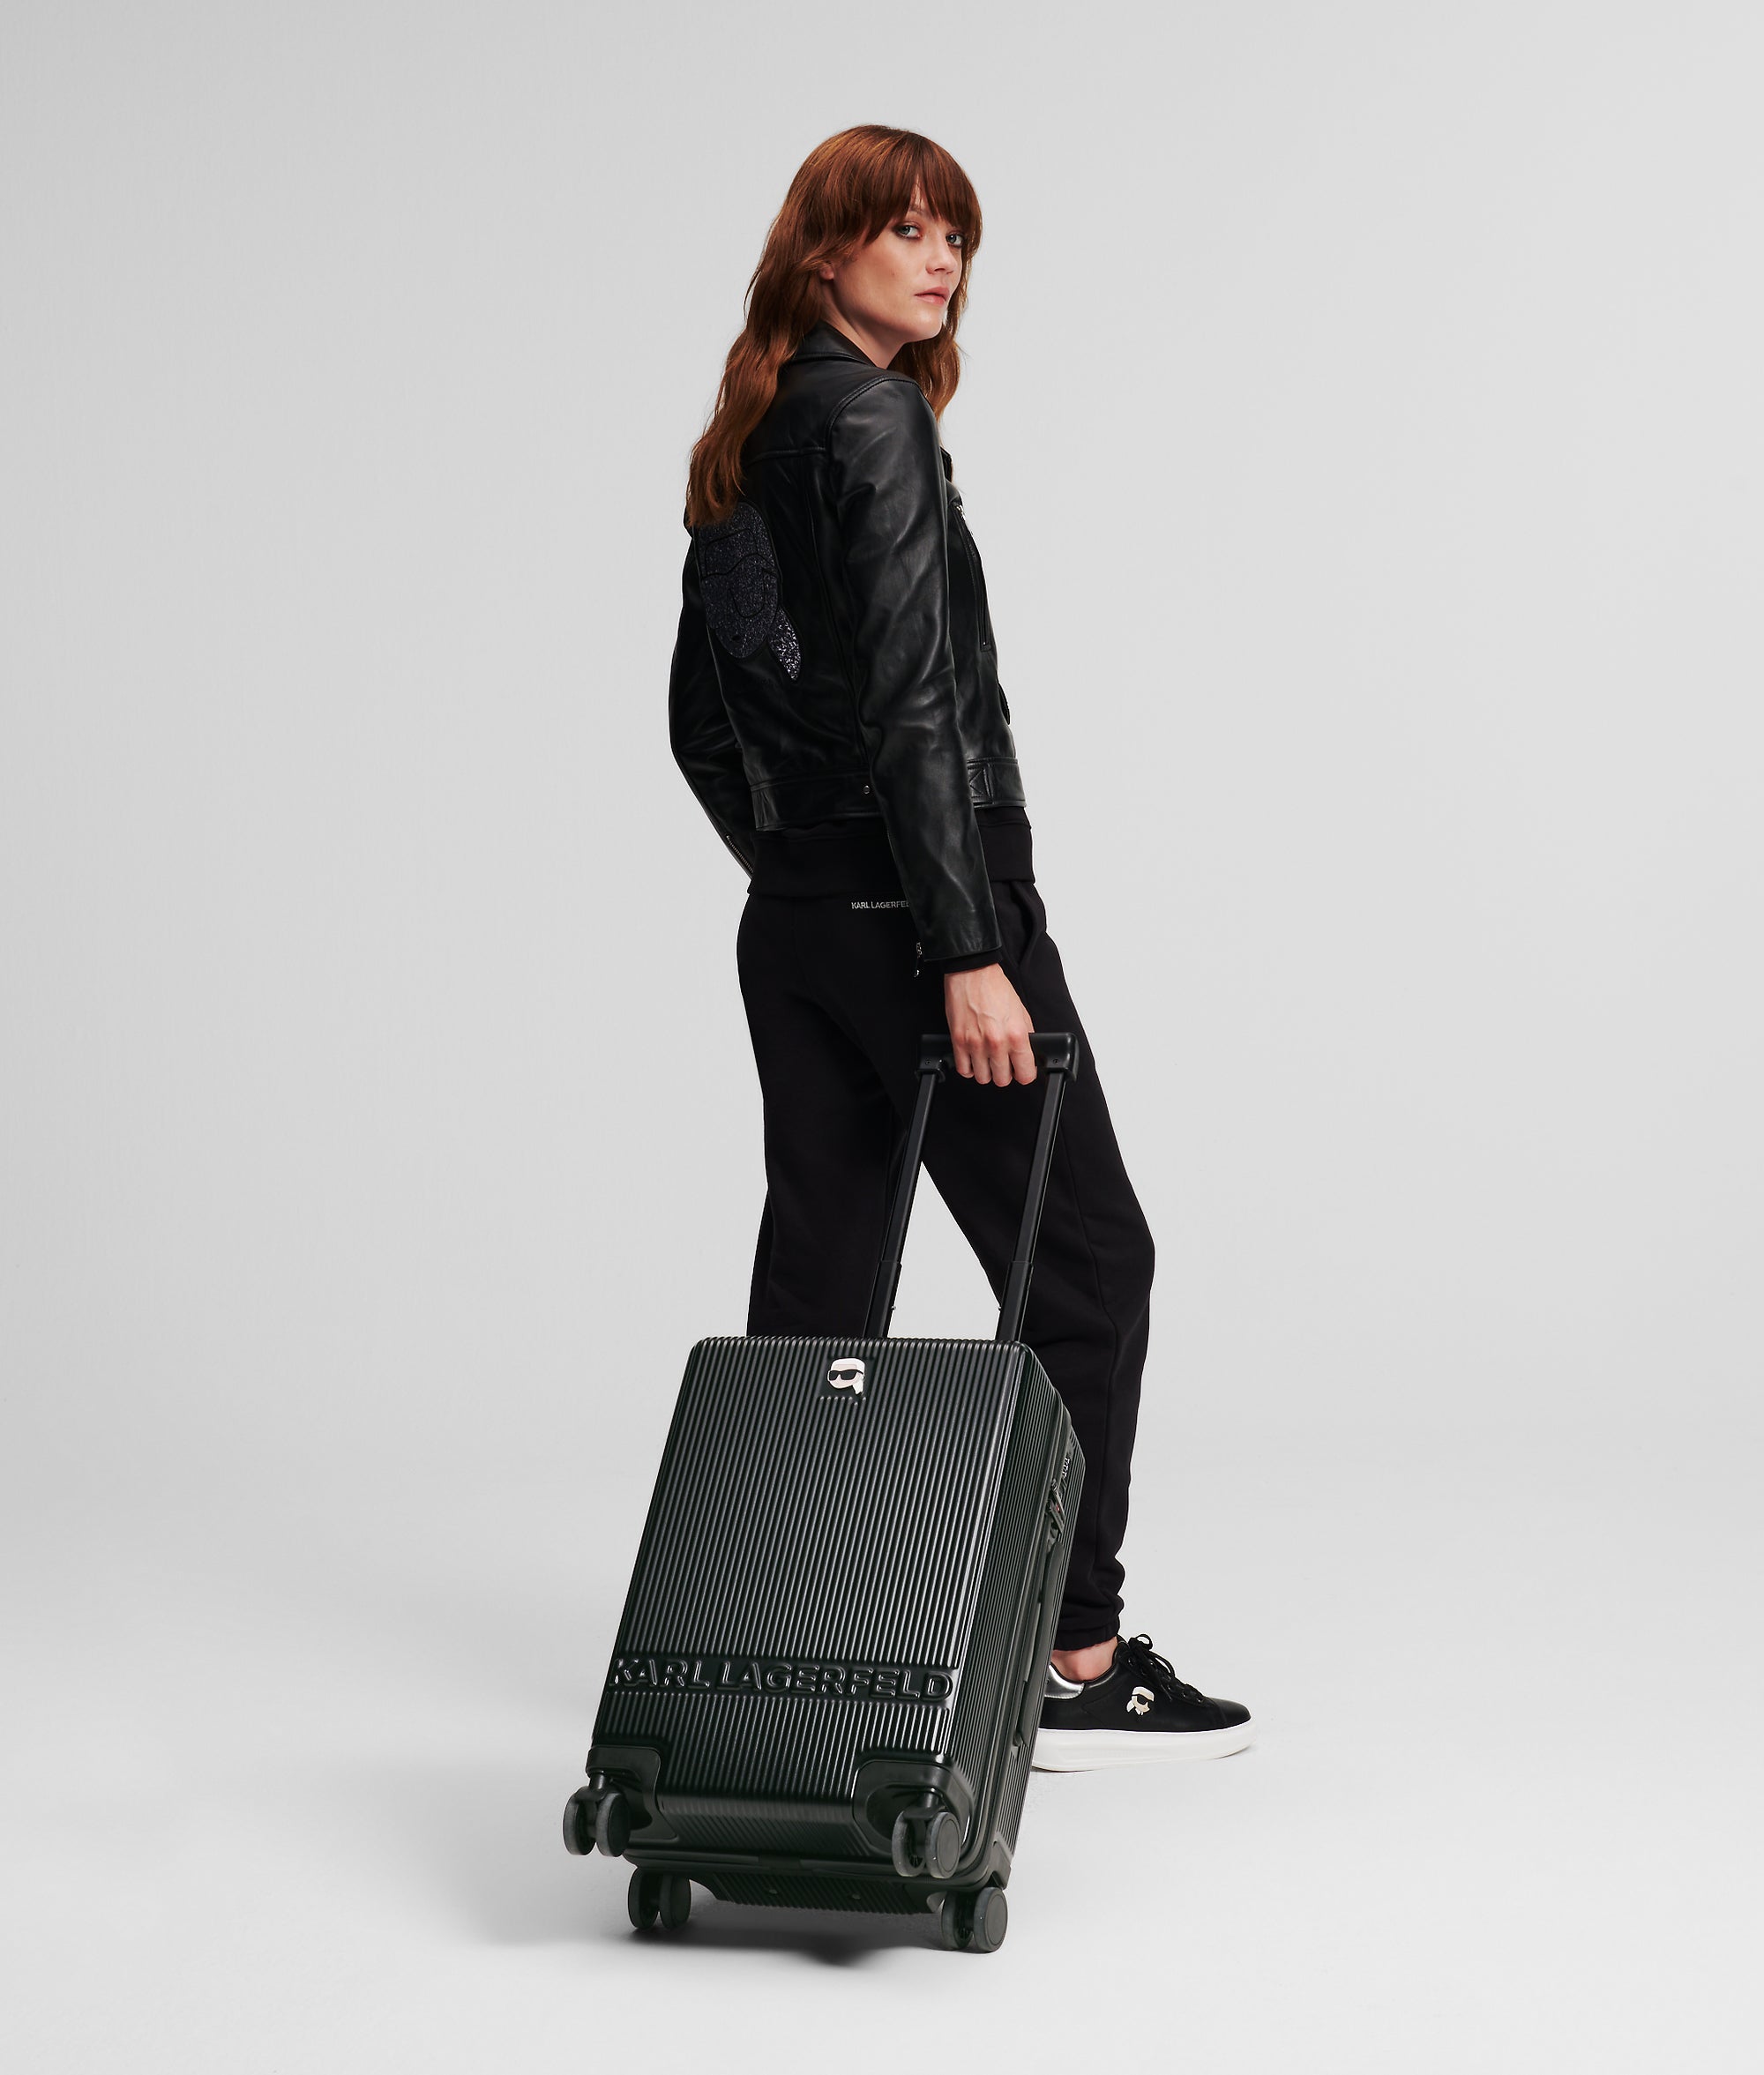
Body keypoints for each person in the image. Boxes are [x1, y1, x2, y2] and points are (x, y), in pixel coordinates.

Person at [668, 125, 1252, 1767]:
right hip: (937, 924)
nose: (941, 263)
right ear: (825, 251)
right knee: (1089, 1262)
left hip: (800, 930)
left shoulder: (748, 436)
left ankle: (779, 1642)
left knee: (823, 1289)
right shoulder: (875, 426)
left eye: (955, 238)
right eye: (908, 232)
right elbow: (918, 706)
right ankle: (1071, 1652)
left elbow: (700, 724)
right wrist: (964, 943)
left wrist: (808, 875)